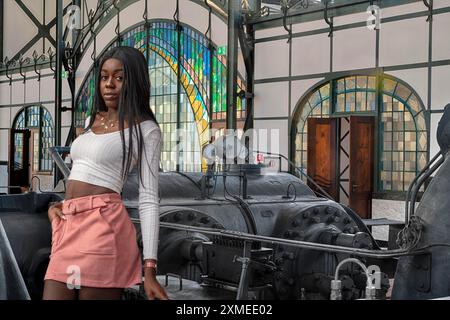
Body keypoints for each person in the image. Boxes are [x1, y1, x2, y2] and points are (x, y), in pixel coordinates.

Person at [42, 46, 168, 300]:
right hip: (69, 225)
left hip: (103, 226)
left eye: (119, 78)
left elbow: (148, 198)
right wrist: (61, 207)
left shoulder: (146, 130)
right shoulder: (91, 122)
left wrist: (150, 268)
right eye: (104, 77)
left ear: (135, 82)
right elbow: (82, 171)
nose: (109, 84)